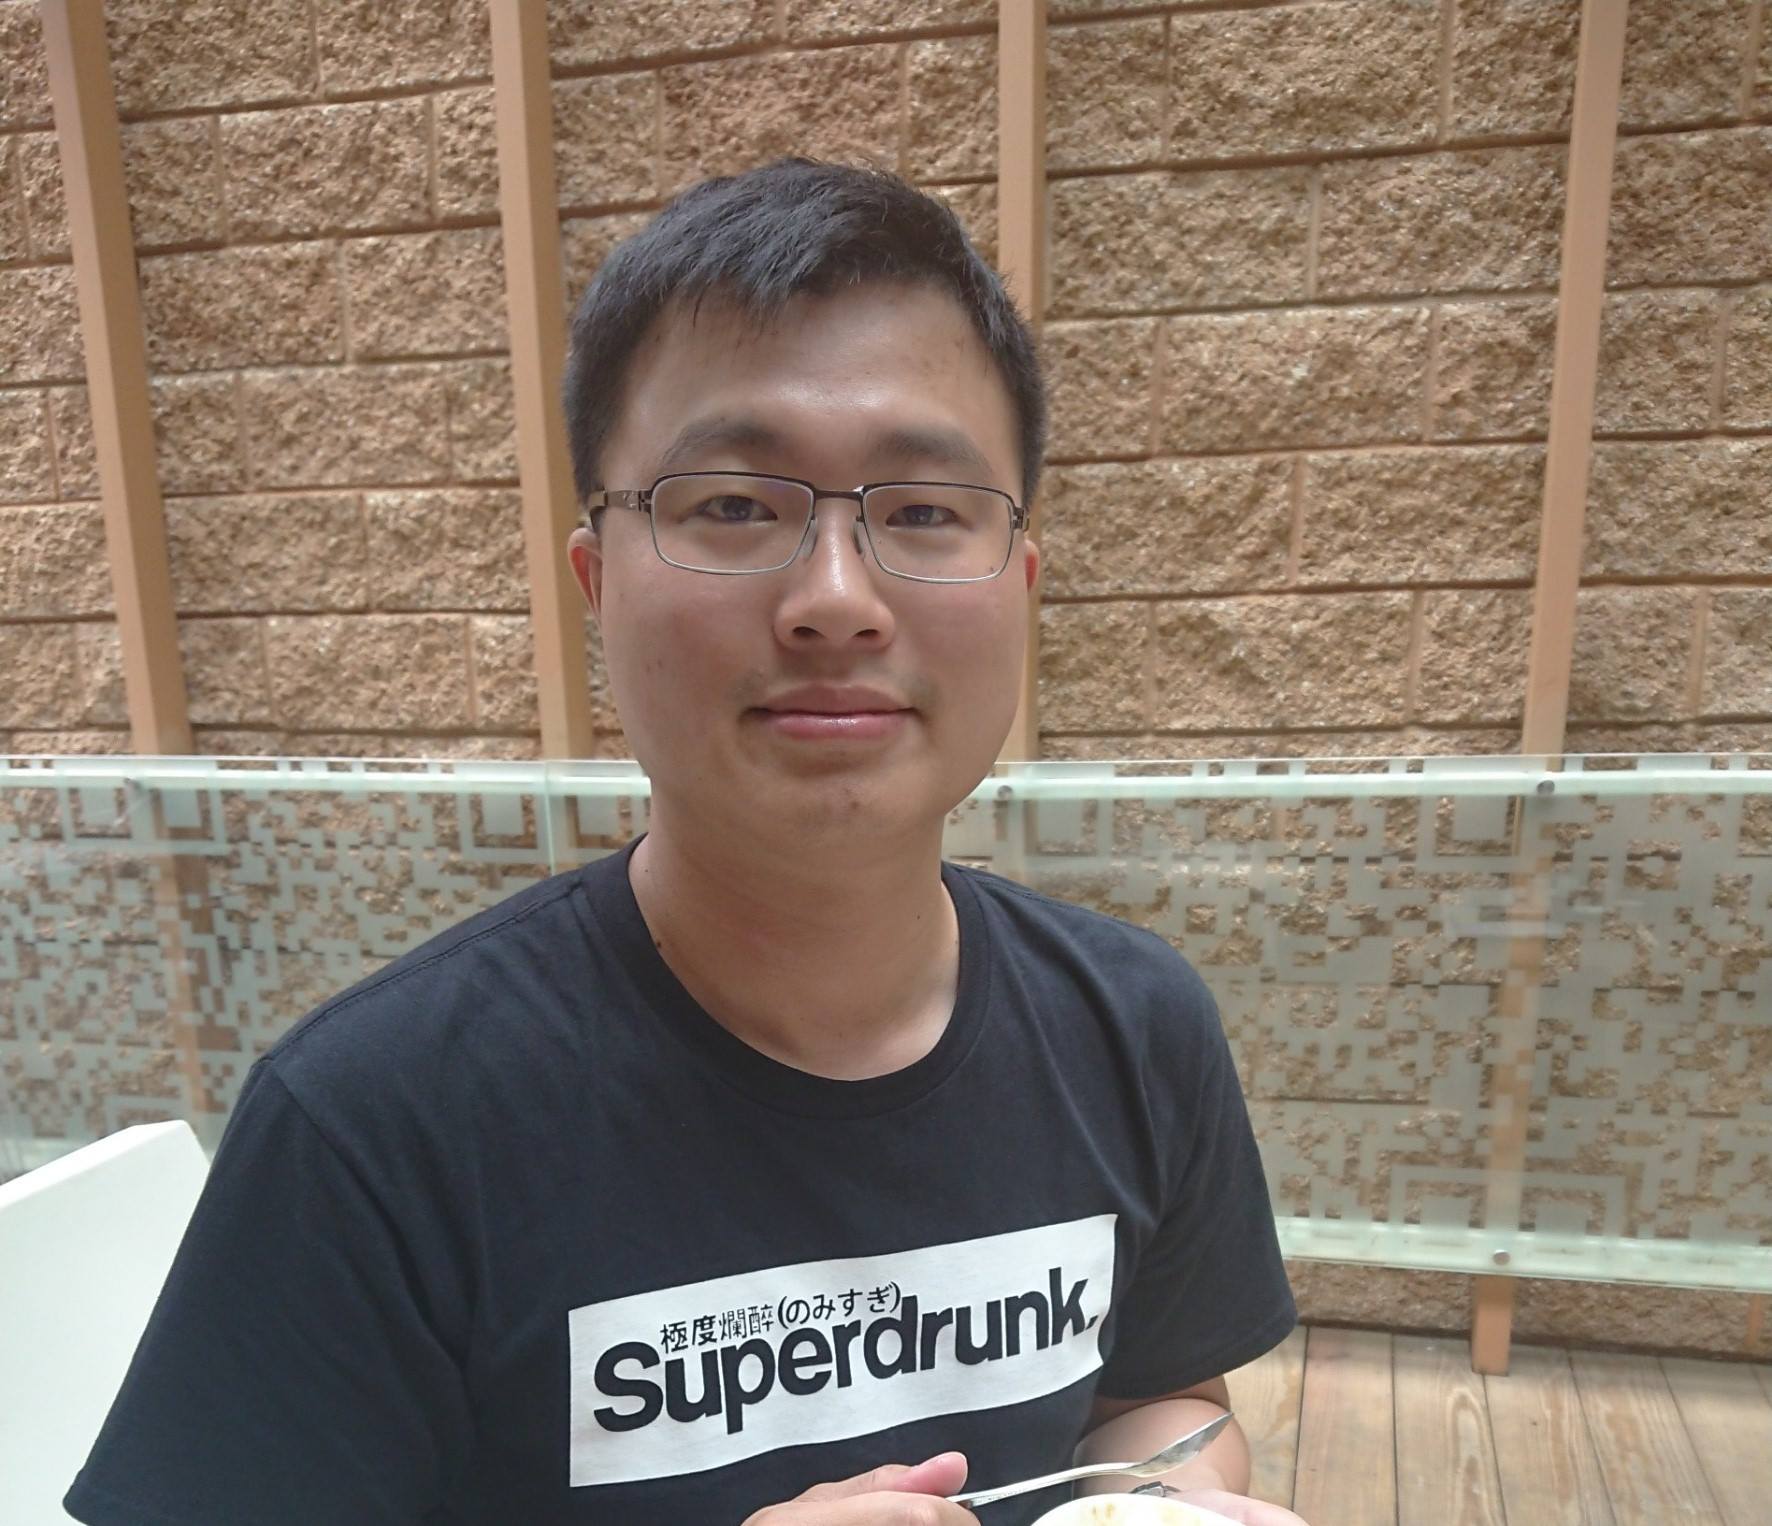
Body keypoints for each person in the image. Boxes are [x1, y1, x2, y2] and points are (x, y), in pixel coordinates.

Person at [65, 159, 1304, 1526]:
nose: (838, 599)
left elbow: (1166, 1398)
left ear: (1019, 583)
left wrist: (1165, 1500)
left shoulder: (1136, 1028)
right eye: (734, 506)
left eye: (923, 511)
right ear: (598, 584)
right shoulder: (374, 1128)